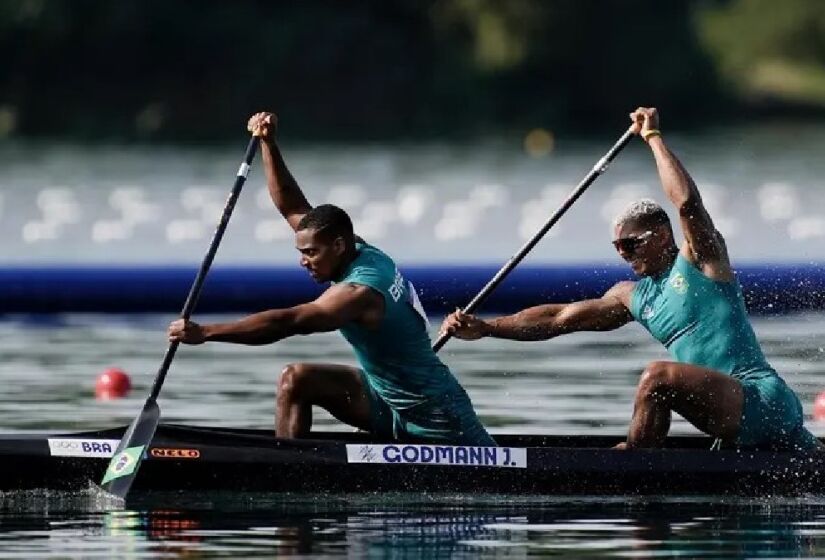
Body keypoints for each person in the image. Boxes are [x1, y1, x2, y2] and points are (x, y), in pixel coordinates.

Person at [441, 107, 820, 451]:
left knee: (657, 376)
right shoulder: (632, 296)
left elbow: (687, 203)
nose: (624, 254)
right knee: (659, 385)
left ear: (663, 236)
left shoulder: (703, 260)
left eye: (631, 244)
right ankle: (639, 464)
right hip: (728, 417)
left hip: (763, 400)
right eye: (617, 247)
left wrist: (653, 138)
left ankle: (633, 469)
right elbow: (557, 319)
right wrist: (488, 328)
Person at [168, 112, 495, 447]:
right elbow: (292, 206)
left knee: (297, 371)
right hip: (384, 401)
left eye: (311, 253)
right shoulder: (357, 249)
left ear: (338, 245)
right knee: (295, 380)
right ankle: (288, 471)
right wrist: (269, 144)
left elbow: (290, 322)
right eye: (302, 251)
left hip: (437, 417)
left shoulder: (359, 292)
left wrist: (207, 332)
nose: (303, 261)